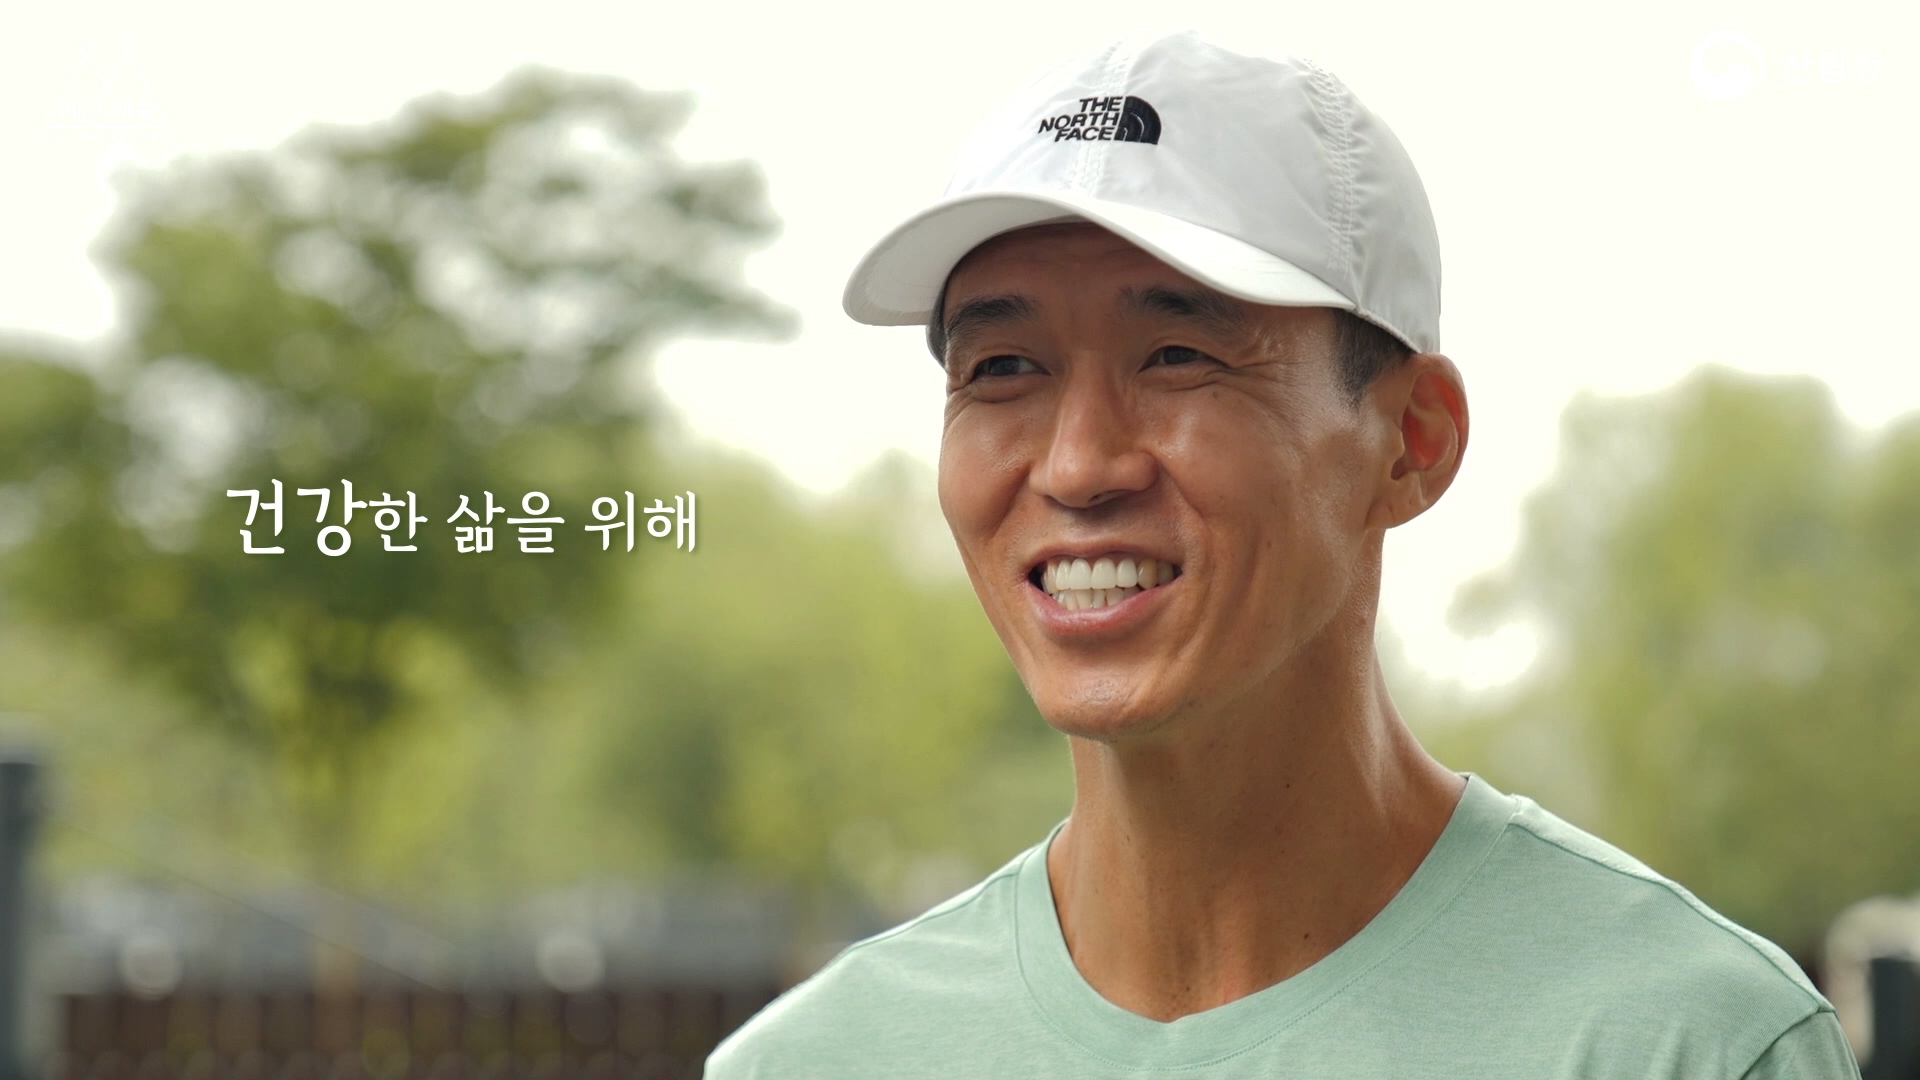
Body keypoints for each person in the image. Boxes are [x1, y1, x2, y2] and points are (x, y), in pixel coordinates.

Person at [704, 31, 1863, 1079]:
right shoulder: (814, 1063)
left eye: (1177, 356)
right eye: (1003, 369)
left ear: (1412, 442)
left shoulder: (1686, 1043)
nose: (1078, 464)